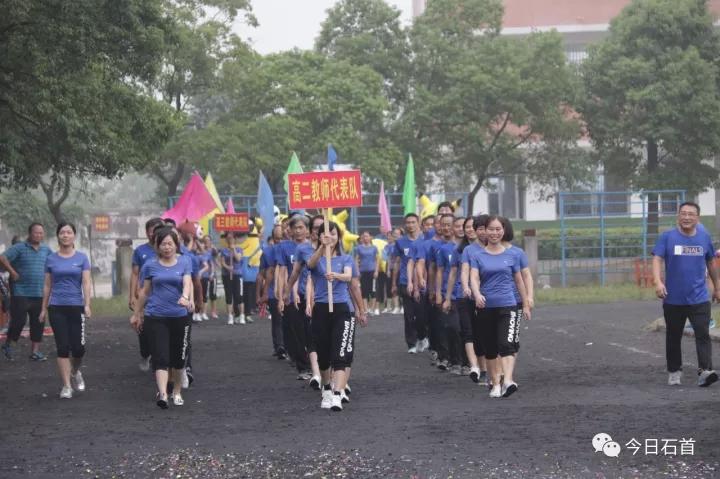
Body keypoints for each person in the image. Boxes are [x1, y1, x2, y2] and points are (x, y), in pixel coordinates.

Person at [652, 201, 720, 387]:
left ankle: (704, 371)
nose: (687, 217)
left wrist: (717, 287)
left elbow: (711, 263)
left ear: (697, 218)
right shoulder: (667, 237)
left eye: (691, 214)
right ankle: (674, 371)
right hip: (673, 299)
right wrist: (658, 282)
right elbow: (657, 258)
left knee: (703, 334)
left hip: (699, 298)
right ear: (678, 217)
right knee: (673, 335)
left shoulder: (704, 237)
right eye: (683, 214)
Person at [306, 221, 367, 411]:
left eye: (333, 234)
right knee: (324, 356)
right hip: (321, 309)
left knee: (341, 353)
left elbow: (349, 277)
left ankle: (338, 394)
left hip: (342, 309)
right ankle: (326, 388)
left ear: (338, 236)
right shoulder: (316, 258)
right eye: (325, 234)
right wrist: (322, 247)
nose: (329, 237)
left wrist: (337, 276)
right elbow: (310, 265)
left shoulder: (346, 259)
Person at [131, 227, 193, 408]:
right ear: (157, 246)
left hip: (179, 316)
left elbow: (187, 282)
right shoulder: (150, 265)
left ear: (176, 245)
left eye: (170, 244)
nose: (167, 247)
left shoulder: (185, 262)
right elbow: (144, 292)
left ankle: (177, 391)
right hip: (155, 316)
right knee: (160, 357)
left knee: (179, 359)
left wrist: (186, 297)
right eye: (163, 244)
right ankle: (163, 394)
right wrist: (137, 313)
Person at [470, 215, 531, 398]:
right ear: (485, 232)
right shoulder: (477, 255)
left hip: (509, 305)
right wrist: (477, 293)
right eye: (491, 229)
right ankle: (495, 383)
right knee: (490, 349)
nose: (495, 233)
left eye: (498, 229)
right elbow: (474, 277)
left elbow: (519, 281)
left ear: (503, 231)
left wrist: (526, 303)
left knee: (507, 345)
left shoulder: (512, 255)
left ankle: (508, 381)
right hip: (486, 306)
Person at [39, 222, 91, 398]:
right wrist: (43, 309)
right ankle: (67, 386)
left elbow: (86, 282)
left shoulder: (82, 258)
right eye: (62, 232)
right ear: (58, 236)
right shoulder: (51, 259)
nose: (65, 235)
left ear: (73, 235)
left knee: (78, 349)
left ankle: (75, 372)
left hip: (76, 307)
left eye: (69, 232)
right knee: (62, 347)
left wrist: (87, 304)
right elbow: (47, 285)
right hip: (57, 307)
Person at [0, 223, 53, 361]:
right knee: (19, 321)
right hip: (21, 292)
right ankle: (8, 345)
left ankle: (35, 352)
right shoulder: (19, 248)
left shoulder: (46, 250)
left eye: (41, 233)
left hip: (39, 293)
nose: (39, 235)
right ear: (30, 233)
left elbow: (54, 262)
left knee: (38, 322)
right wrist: (12, 272)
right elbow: (2, 257)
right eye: (36, 233)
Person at [277, 215, 313, 379]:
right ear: (290, 230)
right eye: (295, 228)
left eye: (301, 228)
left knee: (311, 331)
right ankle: (303, 367)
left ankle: (317, 365)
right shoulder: (284, 247)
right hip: (292, 296)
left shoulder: (314, 247)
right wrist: (282, 295)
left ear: (307, 229)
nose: (298, 231)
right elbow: (283, 271)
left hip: (312, 295)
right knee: (296, 332)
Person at [129, 217, 165, 371]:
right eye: (151, 231)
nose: (154, 234)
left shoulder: (167, 248)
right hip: (144, 295)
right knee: (142, 328)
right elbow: (135, 274)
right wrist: (132, 296)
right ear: (147, 232)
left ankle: (161, 361)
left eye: (157, 230)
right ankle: (145, 354)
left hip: (162, 297)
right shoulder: (140, 251)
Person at [499, 217, 534, 356]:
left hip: (516, 301)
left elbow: (526, 276)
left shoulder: (517, 253)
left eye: (499, 229)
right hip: (495, 301)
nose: (495, 232)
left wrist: (529, 297)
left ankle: (506, 373)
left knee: (512, 338)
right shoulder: (486, 252)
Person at [392, 214, 425, 353]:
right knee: (409, 315)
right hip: (405, 282)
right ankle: (411, 343)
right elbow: (398, 262)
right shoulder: (400, 242)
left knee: (422, 314)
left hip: (423, 283)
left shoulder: (425, 240)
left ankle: (423, 337)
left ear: (418, 223)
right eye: (408, 223)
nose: (410, 225)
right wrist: (393, 283)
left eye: (413, 222)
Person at [458, 216, 485, 383]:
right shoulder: (468, 250)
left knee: (484, 335)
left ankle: (485, 369)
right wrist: (466, 287)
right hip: (469, 298)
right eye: (479, 228)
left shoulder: (494, 248)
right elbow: (464, 270)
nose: (481, 231)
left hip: (489, 298)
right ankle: (474, 366)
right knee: (469, 332)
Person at [258, 224, 286, 359]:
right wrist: (262, 294)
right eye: (277, 239)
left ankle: (283, 345)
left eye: (282, 238)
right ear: (273, 239)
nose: (280, 241)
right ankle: (279, 345)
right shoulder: (268, 252)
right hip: (273, 291)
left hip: (289, 290)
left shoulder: (293, 249)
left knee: (284, 320)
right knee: (277, 319)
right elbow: (263, 273)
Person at [220, 233, 244, 325]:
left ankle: (241, 315)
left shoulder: (239, 249)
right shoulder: (224, 250)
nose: (230, 239)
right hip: (227, 275)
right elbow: (222, 262)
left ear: (235, 239)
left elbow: (238, 259)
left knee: (239, 296)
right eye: (228, 238)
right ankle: (230, 316)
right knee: (229, 296)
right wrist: (227, 267)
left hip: (237, 275)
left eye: (231, 238)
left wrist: (233, 248)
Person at [354, 231, 379, 316]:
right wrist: (357, 271)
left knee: (373, 290)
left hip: (372, 271)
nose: (366, 238)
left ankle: (372, 309)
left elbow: (377, 260)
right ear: (362, 238)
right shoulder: (359, 248)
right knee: (364, 291)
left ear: (370, 237)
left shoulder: (374, 248)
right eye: (364, 236)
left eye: (367, 236)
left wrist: (376, 271)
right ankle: (365, 309)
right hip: (362, 272)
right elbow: (356, 260)